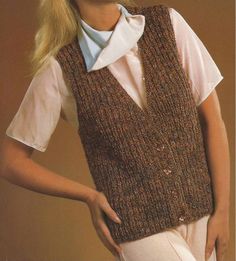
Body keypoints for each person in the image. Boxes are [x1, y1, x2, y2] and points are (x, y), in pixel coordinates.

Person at [0, 1, 230, 261]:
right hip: (137, 226)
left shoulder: (167, 23)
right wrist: (88, 196)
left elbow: (213, 120)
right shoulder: (61, 66)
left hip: (201, 209)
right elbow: (11, 161)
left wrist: (222, 209)